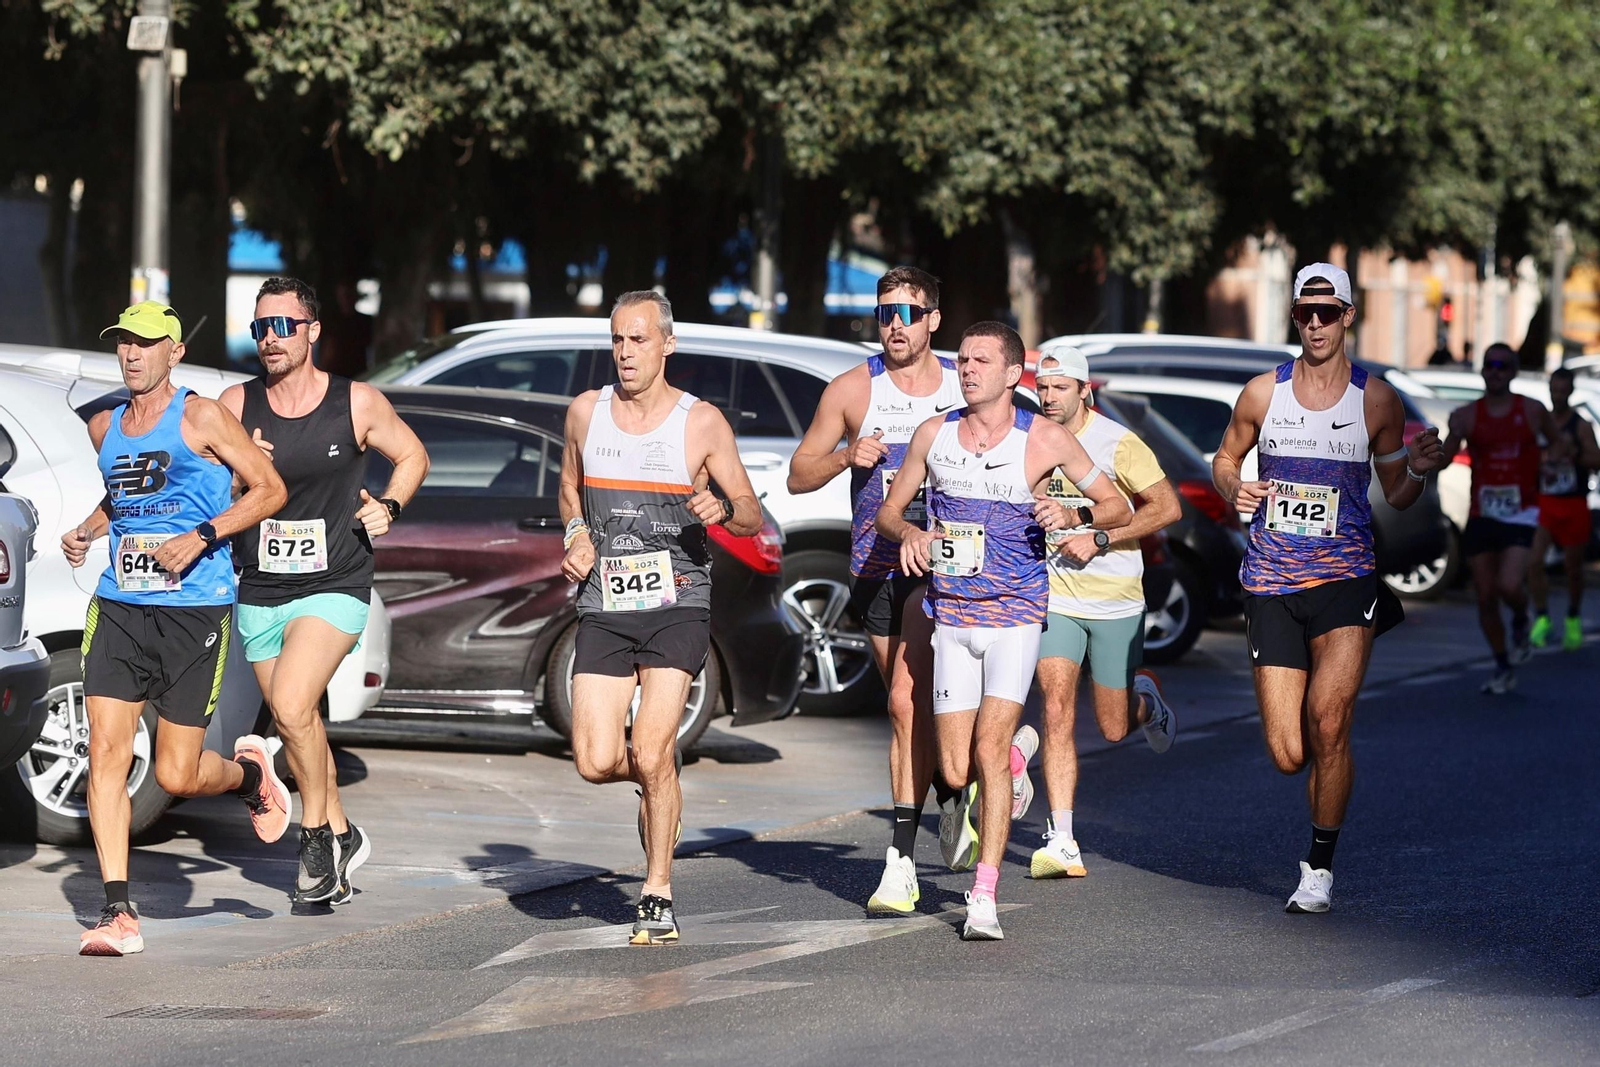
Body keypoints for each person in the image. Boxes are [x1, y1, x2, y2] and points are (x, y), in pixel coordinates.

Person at [876, 321, 1130, 940]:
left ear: (1014, 374)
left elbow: (1119, 507)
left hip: (1015, 616)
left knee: (986, 750)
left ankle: (983, 895)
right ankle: (1017, 758)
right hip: (951, 617)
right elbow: (888, 511)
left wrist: (1074, 513)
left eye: (981, 361)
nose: (967, 369)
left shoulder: (1043, 438)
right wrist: (910, 534)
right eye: (962, 359)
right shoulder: (934, 433)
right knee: (955, 770)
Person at [1213, 263, 1447, 914]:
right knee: (1291, 753)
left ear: (1348, 315)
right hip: (1270, 581)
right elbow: (1226, 459)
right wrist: (1235, 487)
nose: (1314, 324)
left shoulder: (1376, 401)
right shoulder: (1263, 393)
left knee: (1330, 721)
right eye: (1304, 312)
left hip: (1347, 578)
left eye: (1326, 311)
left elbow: (1398, 490)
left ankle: (1318, 867)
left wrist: (1419, 470)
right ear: (1295, 317)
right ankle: (1324, 773)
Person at [65, 301, 289, 955]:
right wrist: (87, 530)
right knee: (106, 753)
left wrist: (203, 535)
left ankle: (250, 777)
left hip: (194, 611)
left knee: (178, 773)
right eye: (123, 342)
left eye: (145, 342)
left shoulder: (202, 416)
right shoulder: (104, 426)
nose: (131, 353)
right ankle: (117, 912)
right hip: (119, 606)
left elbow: (269, 488)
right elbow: (125, 494)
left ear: (175, 352)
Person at [560, 290, 762, 945]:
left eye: (638, 339)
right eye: (617, 339)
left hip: (678, 602)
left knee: (650, 746)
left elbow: (752, 511)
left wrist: (722, 510)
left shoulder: (699, 422)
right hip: (606, 603)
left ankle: (656, 892)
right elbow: (569, 488)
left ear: (667, 344)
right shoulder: (586, 413)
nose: (625, 352)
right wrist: (575, 534)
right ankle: (661, 784)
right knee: (595, 761)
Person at [221, 277, 430, 905]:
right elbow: (209, 497)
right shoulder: (235, 405)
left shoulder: (356, 402)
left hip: (335, 582)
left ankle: (313, 839)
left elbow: (413, 456)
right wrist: (238, 475)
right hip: (261, 585)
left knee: (290, 705)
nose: (270, 339)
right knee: (301, 720)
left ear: (312, 331)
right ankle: (343, 833)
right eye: (261, 328)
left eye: (283, 326)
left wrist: (389, 505)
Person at [786, 266, 963, 915]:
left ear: (932, 319)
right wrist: (846, 456)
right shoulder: (853, 388)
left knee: (919, 702)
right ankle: (954, 790)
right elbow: (798, 474)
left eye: (908, 313)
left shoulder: (964, 384)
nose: (895, 324)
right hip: (875, 568)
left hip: (951, 568)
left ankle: (907, 848)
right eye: (886, 312)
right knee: (907, 708)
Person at [1026, 346, 1182, 880]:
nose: (1049, 398)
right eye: (1043, 388)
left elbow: (1167, 507)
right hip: (1056, 595)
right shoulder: (1032, 437)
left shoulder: (1118, 442)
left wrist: (1101, 537)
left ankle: (1147, 702)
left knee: (1113, 727)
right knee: (1055, 706)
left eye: (1059, 388)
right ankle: (1062, 838)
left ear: (1084, 391)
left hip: (1115, 599)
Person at [1441, 343, 1568, 694]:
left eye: (1502, 366)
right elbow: (1445, 459)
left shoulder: (1532, 410)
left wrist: (1551, 463)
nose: (1495, 372)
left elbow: (1558, 444)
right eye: (1490, 365)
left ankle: (1522, 617)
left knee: (1508, 585)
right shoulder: (1468, 415)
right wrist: (1432, 449)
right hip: (1482, 513)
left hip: (1521, 512)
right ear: (1482, 371)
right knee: (1485, 595)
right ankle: (1502, 664)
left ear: (1513, 372)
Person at [1528, 367, 1598, 652]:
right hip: (1545, 502)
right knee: (1534, 561)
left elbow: (1596, 459)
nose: (1557, 395)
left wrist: (1575, 452)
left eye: (1562, 391)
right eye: (1554, 390)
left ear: (1570, 391)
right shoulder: (1540, 423)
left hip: (1573, 503)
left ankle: (1572, 617)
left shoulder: (1580, 425)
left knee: (1573, 568)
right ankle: (1542, 617)